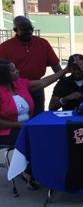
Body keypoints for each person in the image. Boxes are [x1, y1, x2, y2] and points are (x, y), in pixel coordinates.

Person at [0, 59, 68, 189]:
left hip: (26, 128)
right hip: (6, 131)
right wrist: (18, 125)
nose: (18, 71)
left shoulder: (20, 84)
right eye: (13, 70)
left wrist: (64, 71)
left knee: (48, 135)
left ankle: (37, 172)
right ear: (4, 75)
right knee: (35, 140)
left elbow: (44, 82)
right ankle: (31, 174)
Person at [0, 16, 62, 116]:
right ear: (16, 30)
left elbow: (55, 65)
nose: (29, 32)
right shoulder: (4, 47)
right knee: (19, 115)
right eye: (25, 30)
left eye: (31, 28)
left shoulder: (42, 43)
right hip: (15, 88)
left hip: (37, 86)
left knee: (38, 117)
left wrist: (63, 80)